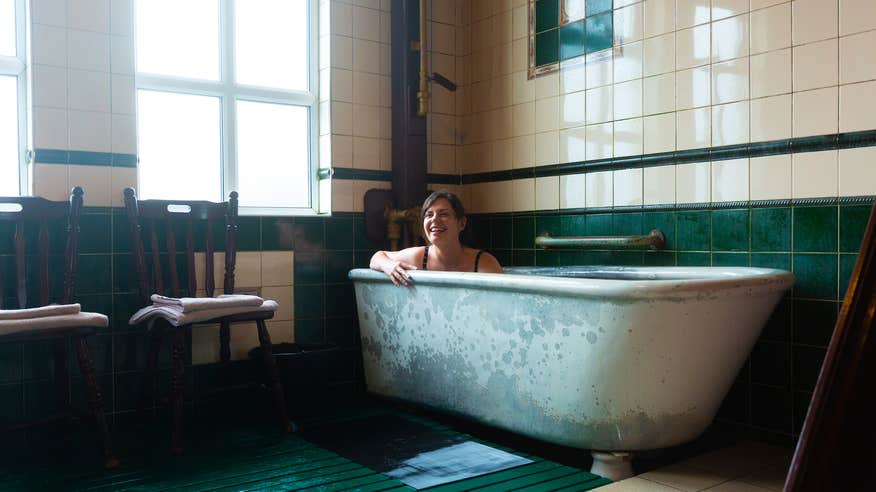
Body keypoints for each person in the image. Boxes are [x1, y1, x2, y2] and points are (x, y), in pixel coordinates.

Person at [370, 190, 503, 286]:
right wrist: (389, 266)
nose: (434, 220)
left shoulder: (482, 262)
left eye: (443, 214)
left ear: (461, 223)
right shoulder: (418, 257)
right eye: (429, 215)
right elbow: (377, 257)